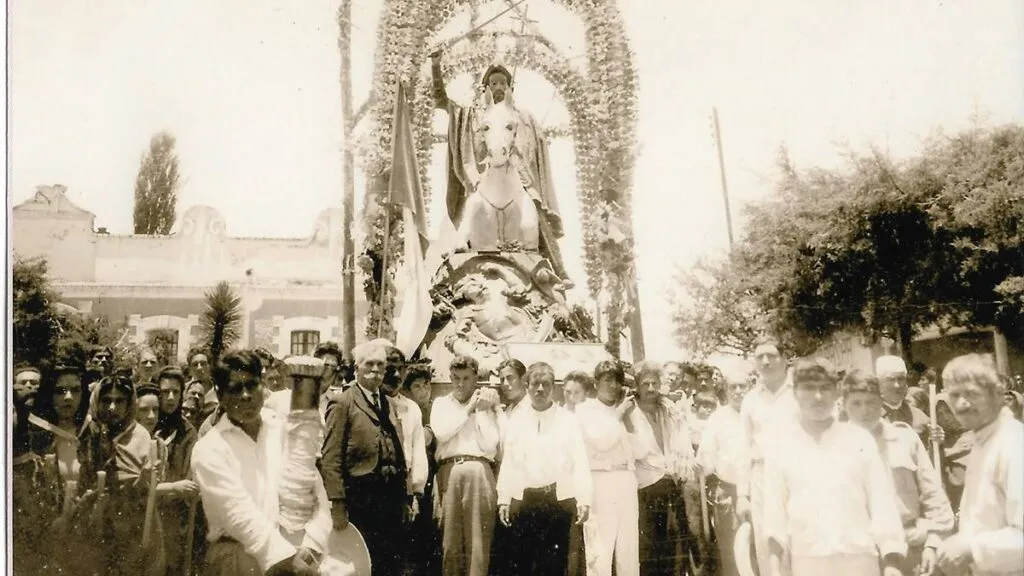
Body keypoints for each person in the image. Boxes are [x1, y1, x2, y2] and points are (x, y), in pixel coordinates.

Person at [429, 48, 568, 279]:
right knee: (471, 209)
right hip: (479, 180)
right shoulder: (472, 114)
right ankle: (451, 267)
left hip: (518, 178)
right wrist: (435, 67)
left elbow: (533, 146)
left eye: (503, 82)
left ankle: (558, 269)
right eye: (493, 82)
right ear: (486, 87)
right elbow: (442, 101)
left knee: (535, 212)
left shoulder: (523, 117)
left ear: (510, 87)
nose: (499, 86)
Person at [763, 357, 905, 576]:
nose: (818, 397)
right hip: (808, 561)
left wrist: (892, 563)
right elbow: (774, 516)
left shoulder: (859, 440)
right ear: (795, 393)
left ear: (837, 392)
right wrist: (773, 570)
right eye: (809, 389)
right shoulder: (780, 445)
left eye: (825, 388)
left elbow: (882, 504)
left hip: (859, 560)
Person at [191, 350, 326, 576]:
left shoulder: (283, 430)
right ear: (220, 394)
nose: (246, 396)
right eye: (235, 389)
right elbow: (239, 516)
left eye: (252, 385)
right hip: (238, 560)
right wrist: (290, 560)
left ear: (262, 386)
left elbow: (314, 488)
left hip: (296, 555)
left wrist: (313, 545)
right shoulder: (209, 449)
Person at [842, 369, 954, 575]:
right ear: (844, 405)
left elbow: (934, 496)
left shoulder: (904, 438)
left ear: (881, 401)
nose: (864, 410)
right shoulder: (836, 447)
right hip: (861, 554)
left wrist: (932, 544)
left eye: (871, 402)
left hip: (911, 549)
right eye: (856, 403)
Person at [320, 340, 409, 576]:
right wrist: (337, 503)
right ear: (356, 368)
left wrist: (405, 494)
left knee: (387, 564)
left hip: (389, 500)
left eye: (381, 365)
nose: (376, 370)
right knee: (359, 566)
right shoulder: (343, 402)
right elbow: (331, 457)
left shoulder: (388, 403)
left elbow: (398, 451)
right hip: (359, 500)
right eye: (369, 364)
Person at [495, 362, 592, 576]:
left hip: (557, 501)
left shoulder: (568, 420)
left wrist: (584, 499)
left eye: (545, 384)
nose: (540, 389)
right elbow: (509, 461)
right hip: (525, 500)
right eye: (535, 384)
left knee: (553, 564)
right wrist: (504, 498)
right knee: (523, 563)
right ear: (527, 386)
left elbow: (580, 461)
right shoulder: (517, 420)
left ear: (553, 388)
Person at [935, 354, 1024, 576]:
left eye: (971, 394)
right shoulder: (984, 439)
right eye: (954, 395)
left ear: (996, 394)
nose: (961, 404)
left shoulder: (1013, 444)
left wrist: (970, 549)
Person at [77, 373, 164, 576]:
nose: (112, 408)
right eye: (106, 401)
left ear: (130, 403)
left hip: (134, 528)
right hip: (94, 527)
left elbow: (149, 488)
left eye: (119, 401)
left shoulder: (141, 436)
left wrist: (143, 478)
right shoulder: (89, 435)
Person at [574, 360, 650, 576]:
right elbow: (601, 441)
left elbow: (643, 450)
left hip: (626, 479)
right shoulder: (584, 409)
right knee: (600, 548)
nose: (614, 386)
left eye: (617, 381)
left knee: (628, 548)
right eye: (607, 381)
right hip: (600, 480)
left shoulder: (628, 410)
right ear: (596, 384)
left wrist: (628, 419)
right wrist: (618, 414)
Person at [430, 355, 502, 576]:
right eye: (456, 378)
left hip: (479, 471)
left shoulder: (485, 407)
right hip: (449, 473)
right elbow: (442, 433)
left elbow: (490, 446)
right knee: (450, 542)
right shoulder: (441, 404)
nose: (460, 384)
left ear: (475, 379)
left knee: (478, 544)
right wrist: (468, 409)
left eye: (466, 378)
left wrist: (481, 410)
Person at [736, 337, 798, 575]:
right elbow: (744, 447)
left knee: (798, 540)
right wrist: (742, 494)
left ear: (784, 360)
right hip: (762, 478)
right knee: (766, 545)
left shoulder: (799, 393)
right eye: (760, 357)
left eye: (771, 355)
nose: (765, 361)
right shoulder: (750, 400)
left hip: (796, 475)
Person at [631, 361, 698, 576]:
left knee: (675, 544)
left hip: (671, 482)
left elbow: (682, 443)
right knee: (649, 545)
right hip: (644, 486)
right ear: (637, 385)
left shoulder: (669, 410)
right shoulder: (630, 410)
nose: (650, 388)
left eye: (654, 383)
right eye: (645, 383)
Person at [696, 364, 752, 576]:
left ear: (750, 387)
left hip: (759, 492)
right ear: (726, 391)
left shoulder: (758, 414)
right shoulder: (717, 418)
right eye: (733, 387)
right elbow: (707, 457)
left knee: (762, 552)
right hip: (728, 493)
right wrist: (701, 464)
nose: (738, 391)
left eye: (742, 386)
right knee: (731, 555)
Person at [153, 366, 201, 576]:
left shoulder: (188, 432)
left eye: (176, 392)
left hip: (174, 517)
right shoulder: (146, 424)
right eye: (164, 392)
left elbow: (189, 478)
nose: (170, 398)